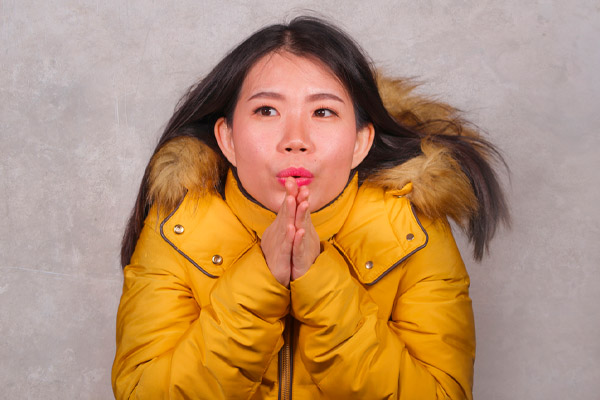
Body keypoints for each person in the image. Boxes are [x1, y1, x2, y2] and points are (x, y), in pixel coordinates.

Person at [112, 16, 508, 400]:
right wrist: (261, 279)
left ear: (360, 143)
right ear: (227, 138)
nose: (295, 140)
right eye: (267, 110)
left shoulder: (413, 232)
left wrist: (318, 282)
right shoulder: (177, 226)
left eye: (323, 112)